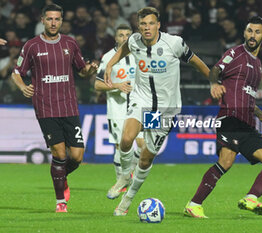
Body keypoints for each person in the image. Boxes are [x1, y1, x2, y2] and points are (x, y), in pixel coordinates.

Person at [104, 7, 213, 216]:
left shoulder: (174, 43)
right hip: (141, 99)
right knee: (126, 138)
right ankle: (125, 176)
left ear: (159, 25)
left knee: (145, 159)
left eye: (151, 23)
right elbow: (123, 49)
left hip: (164, 109)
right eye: (143, 24)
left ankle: (127, 200)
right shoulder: (134, 41)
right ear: (139, 26)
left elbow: (197, 63)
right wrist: (110, 66)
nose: (147, 28)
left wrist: (214, 81)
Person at [184, 16, 262, 218]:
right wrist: (214, 84)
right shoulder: (235, 53)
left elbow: (247, 95)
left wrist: (261, 114)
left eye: (257, 32)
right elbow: (215, 70)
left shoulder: (258, 65)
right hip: (230, 117)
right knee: (226, 161)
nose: (252, 35)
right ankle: (194, 204)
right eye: (249, 31)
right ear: (244, 33)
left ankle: (251, 198)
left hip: (248, 123)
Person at [11, 4, 98, 213]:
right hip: (46, 107)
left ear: (61, 21)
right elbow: (16, 71)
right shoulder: (32, 46)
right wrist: (23, 86)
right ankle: (61, 201)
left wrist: (90, 69)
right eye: (49, 19)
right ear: (42, 20)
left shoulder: (70, 43)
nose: (53, 23)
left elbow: (82, 72)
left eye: (57, 19)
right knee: (59, 154)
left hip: (69, 106)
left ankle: (60, 176)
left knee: (77, 156)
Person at [94, 24, 145, 200]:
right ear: (116, 38)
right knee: (121, 146)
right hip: (118, 108)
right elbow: (97, 84)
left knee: (146, 146)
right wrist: (117, 86)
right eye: (121, 35)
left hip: (142, 106)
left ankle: (128, 176)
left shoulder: (142, 54)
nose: (125, 38)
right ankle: (121, 180)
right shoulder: (108, 57)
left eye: (128, 35)